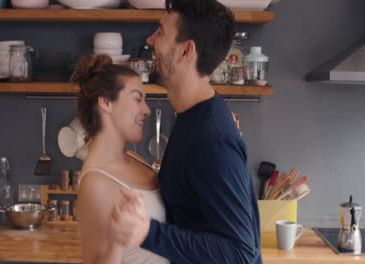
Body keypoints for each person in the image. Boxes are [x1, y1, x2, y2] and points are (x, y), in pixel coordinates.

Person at [110, 0, 262, 263]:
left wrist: (147, 232)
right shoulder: (193, 118)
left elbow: (240, 254)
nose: (150, 40)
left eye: (160, 32)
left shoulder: (212, 140)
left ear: (185, 51)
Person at [72, 54, 170, 264]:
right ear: (106, 102)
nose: (146, 110)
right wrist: (117, 240)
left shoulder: (134, 158)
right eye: (137, 99)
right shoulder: (95, 182)